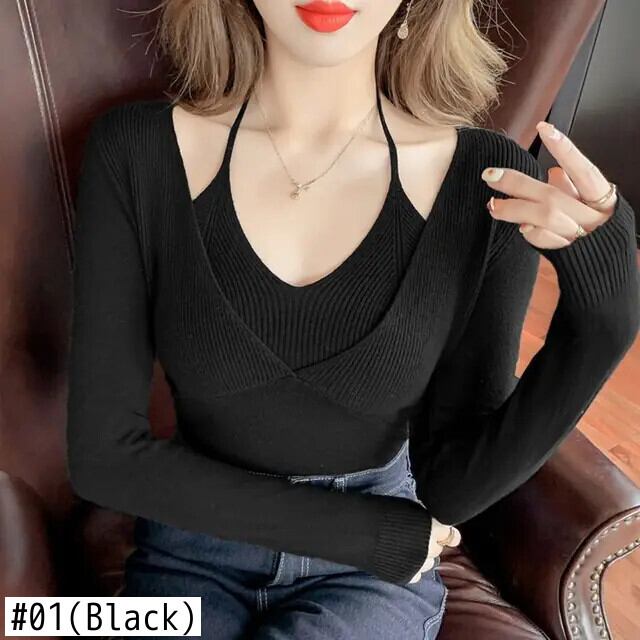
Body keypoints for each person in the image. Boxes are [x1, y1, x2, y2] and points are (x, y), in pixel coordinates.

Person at [65, 0, 639, 637]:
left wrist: (605, 319)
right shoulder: (137, 150)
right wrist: (363, 532)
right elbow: (104, 458)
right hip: (192, 550)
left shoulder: (486, 181)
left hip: (369, 578)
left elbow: (450, 484)